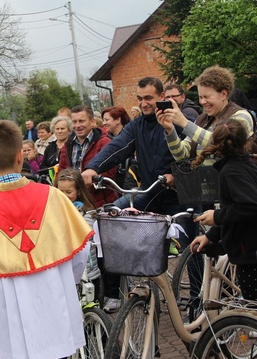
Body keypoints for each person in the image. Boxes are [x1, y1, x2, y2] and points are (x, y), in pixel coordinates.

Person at [0, 119, 93, 359]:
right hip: (58, 310)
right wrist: (62, 281)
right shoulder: (53, 196)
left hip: (15, 318)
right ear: (20, 156)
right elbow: (80, 252)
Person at [81, 77, 195, 313]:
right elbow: (118, 146)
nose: (144, 104)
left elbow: (193, 155)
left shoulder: (180, 119)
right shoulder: (137, 125)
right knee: (110, 217)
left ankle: (197, 299)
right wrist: (93, 167)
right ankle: (119, 292)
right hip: (150, 191)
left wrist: (177, 175)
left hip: (180, 194)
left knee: (191, 248)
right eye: (140, 99)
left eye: (149, 98)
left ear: (162, 97)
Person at [191, 119, 257, 307]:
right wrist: (211, 235)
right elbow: (242, 206)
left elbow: (253, 205)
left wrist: (216, 217)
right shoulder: (247, 165)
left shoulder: (231, 172)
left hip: (250, 250)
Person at [158, 65, 255, 162]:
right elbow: (181, 155)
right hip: (205, 176)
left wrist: (184, 123)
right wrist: (170, 130)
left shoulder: (241, 116)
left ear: (223, 94)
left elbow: (223, 145)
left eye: (206, 96)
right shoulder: (201, 120)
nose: (202, 102)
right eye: (200, 97)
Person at [54, 168, 102, 302]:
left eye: (68, 192)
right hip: (66, 271)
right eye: (60, 192)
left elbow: (83, 231)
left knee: (91, 304)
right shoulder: (52, 210)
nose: (64, 196)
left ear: (79, 191)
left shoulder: (87, 212)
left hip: (88, 272)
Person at [58, 105, 117, 207]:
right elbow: (61, 171)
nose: (77, 125)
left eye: (81, 121)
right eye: (74, 122)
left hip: (99, 202)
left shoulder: (105, 143)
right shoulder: (67, 145)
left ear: (92, 122)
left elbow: (109, 174)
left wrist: (82, 185)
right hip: (72, 202)